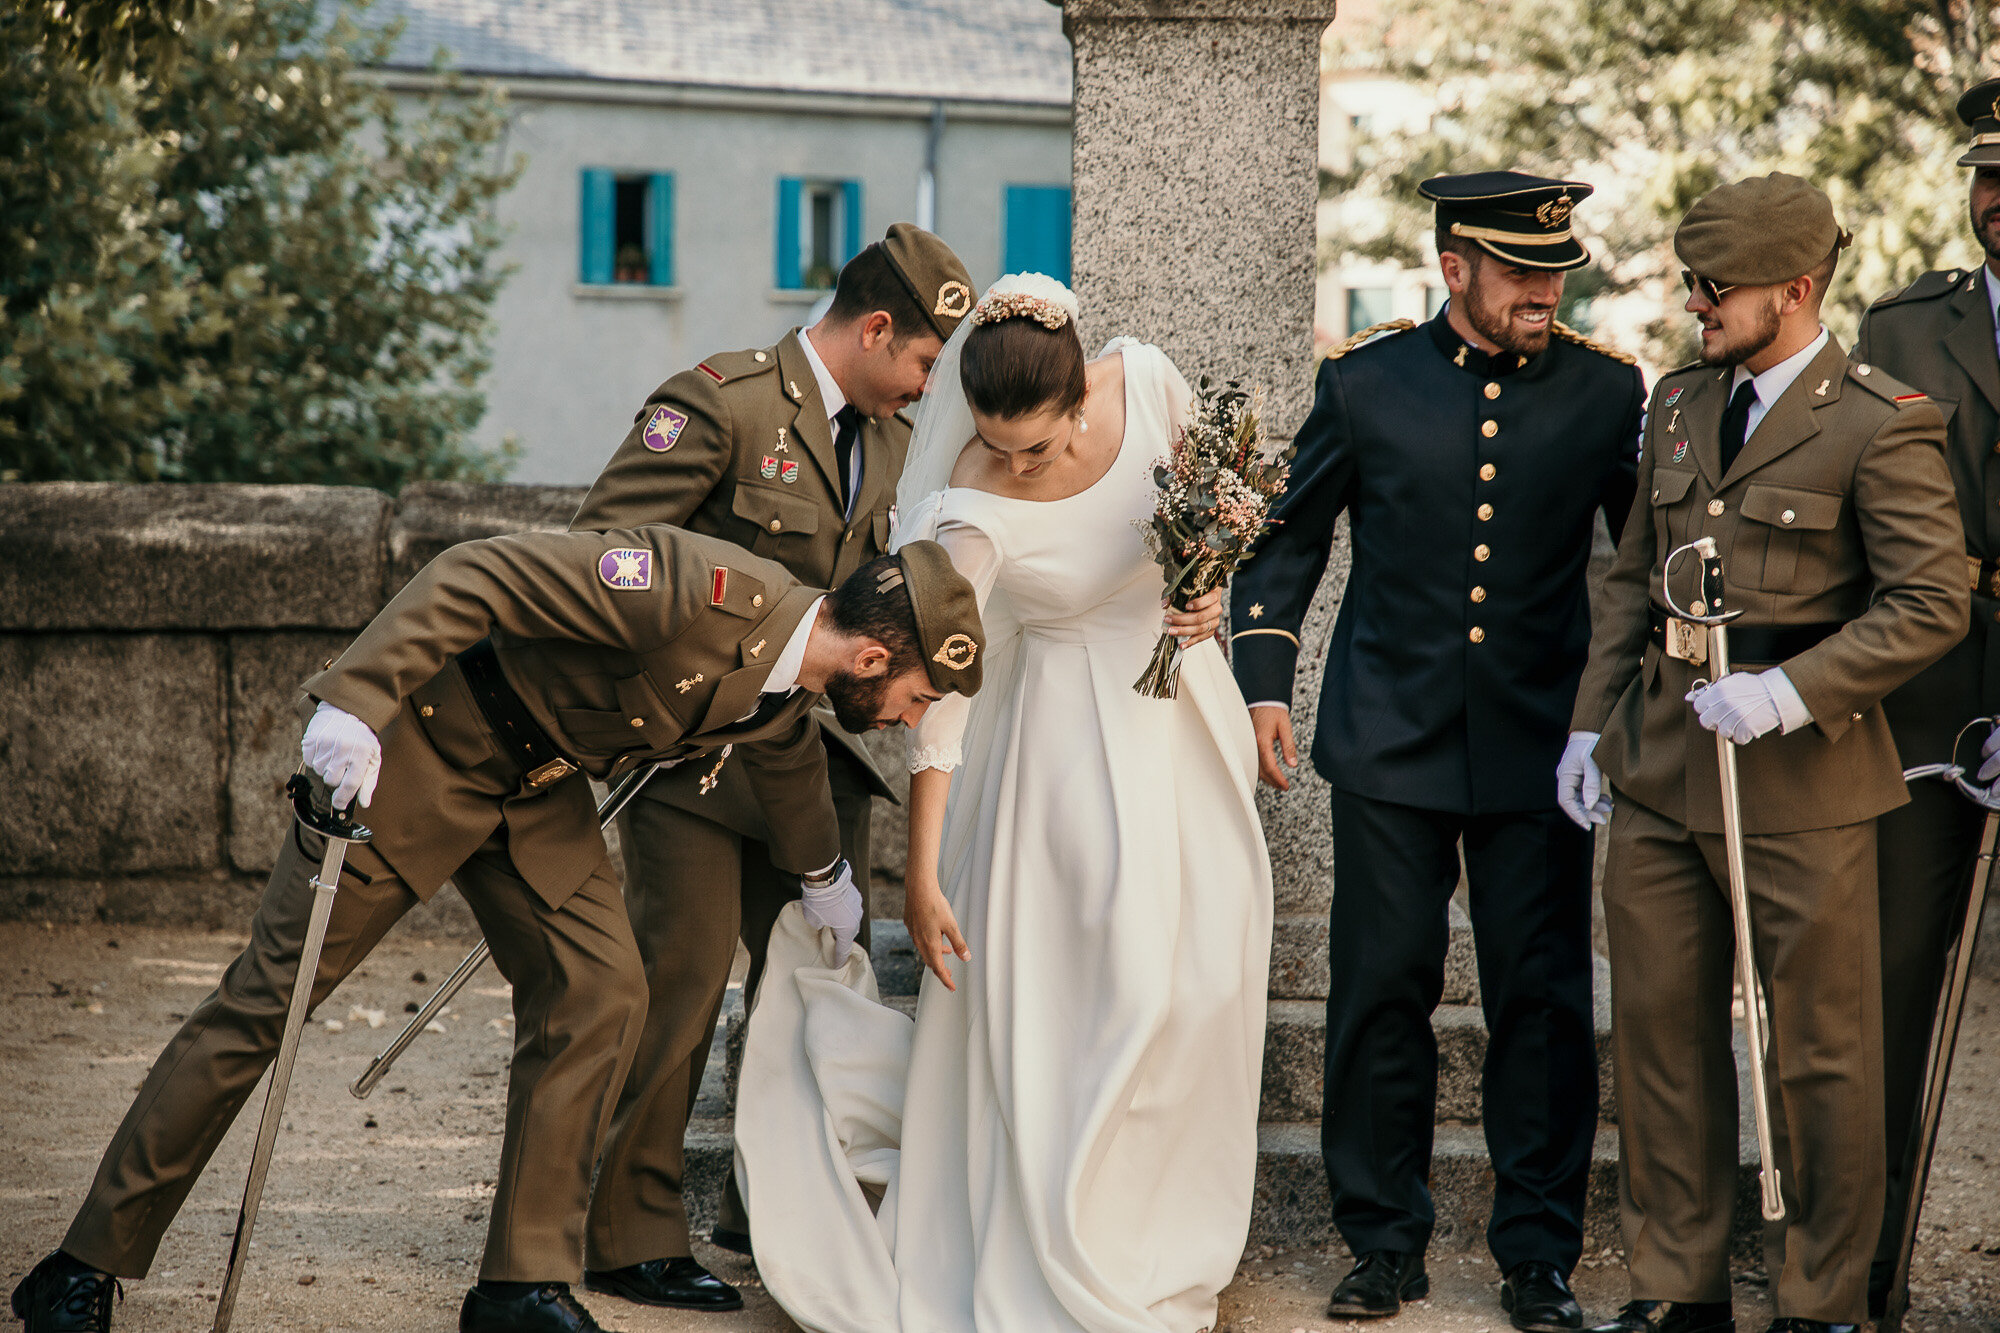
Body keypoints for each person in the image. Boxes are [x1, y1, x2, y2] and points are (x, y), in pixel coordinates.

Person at [7, 524, 986, 1333]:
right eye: (913, 698)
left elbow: (778, 752)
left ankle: (519, 1284)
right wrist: (355, 700)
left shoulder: (785, 674)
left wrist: (822, 875)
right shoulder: (697, 592)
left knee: (604, 990)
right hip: (424, 749)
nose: (905, 721)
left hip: (534, 788)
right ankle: (80, 1265)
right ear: (872, 655)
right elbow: (472, 572)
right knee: (266, 1003)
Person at [728, 273, 1273, 1333]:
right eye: (993, 442)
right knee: (1121, 988)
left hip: (1181, 715)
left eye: (1036, 446)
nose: (1013, 464)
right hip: (1066, 747)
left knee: (1204, 976)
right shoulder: (965, 509)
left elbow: (1219, 524)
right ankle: (1076, 1235)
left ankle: (1158, 1219)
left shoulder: (1150, 388)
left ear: (1081, 399)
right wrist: (922, 877)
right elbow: (938, 709)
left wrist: (1211, 589)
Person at [1228, 171, 1642, 1329]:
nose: (1542, 291)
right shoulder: (1364, 383)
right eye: (1517, 270)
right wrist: (1263, 683)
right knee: (1378, 991)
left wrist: (1615, 717)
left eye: (1555, 270)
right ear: (1452, 266)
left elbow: (1644, 553)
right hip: (1385, 736)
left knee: (1542, 1000)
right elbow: (1285, 544)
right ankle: (1380, 1240)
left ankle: (1535, 1253)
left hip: (1539, 746)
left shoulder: (1607, 393)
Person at [1560, 174, 1967, 1333]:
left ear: (1792, 291)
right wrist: (1591, 725)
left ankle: (1819, 1294)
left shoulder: (1878, 419)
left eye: (1714, 287)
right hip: (1658, 769)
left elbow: (1928, 602)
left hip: (1800, 777)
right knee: (1655, 1036)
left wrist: (1790, 689)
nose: (1695, 303)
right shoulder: (1680, 403)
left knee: (1821, 1053)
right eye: (1692, 282)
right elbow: (1631, 575)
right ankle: (1673, 1283)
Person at [566, 222, 974, 1308]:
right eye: (927, 362)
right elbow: (607, 559)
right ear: (878, 328)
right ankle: (630, 1232)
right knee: (680, 988)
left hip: (821, 771)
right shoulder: (721, 403)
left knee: (808, 993)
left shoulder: (890, 448)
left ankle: (773, 1209)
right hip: (696, 766)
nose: (928, 388)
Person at [1850, 76, 2000, 1319]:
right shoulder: (1902, 330)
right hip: (1922, 692)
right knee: (1891, 982)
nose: (1997, 200)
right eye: (1988, 173)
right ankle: (1865, 1267)